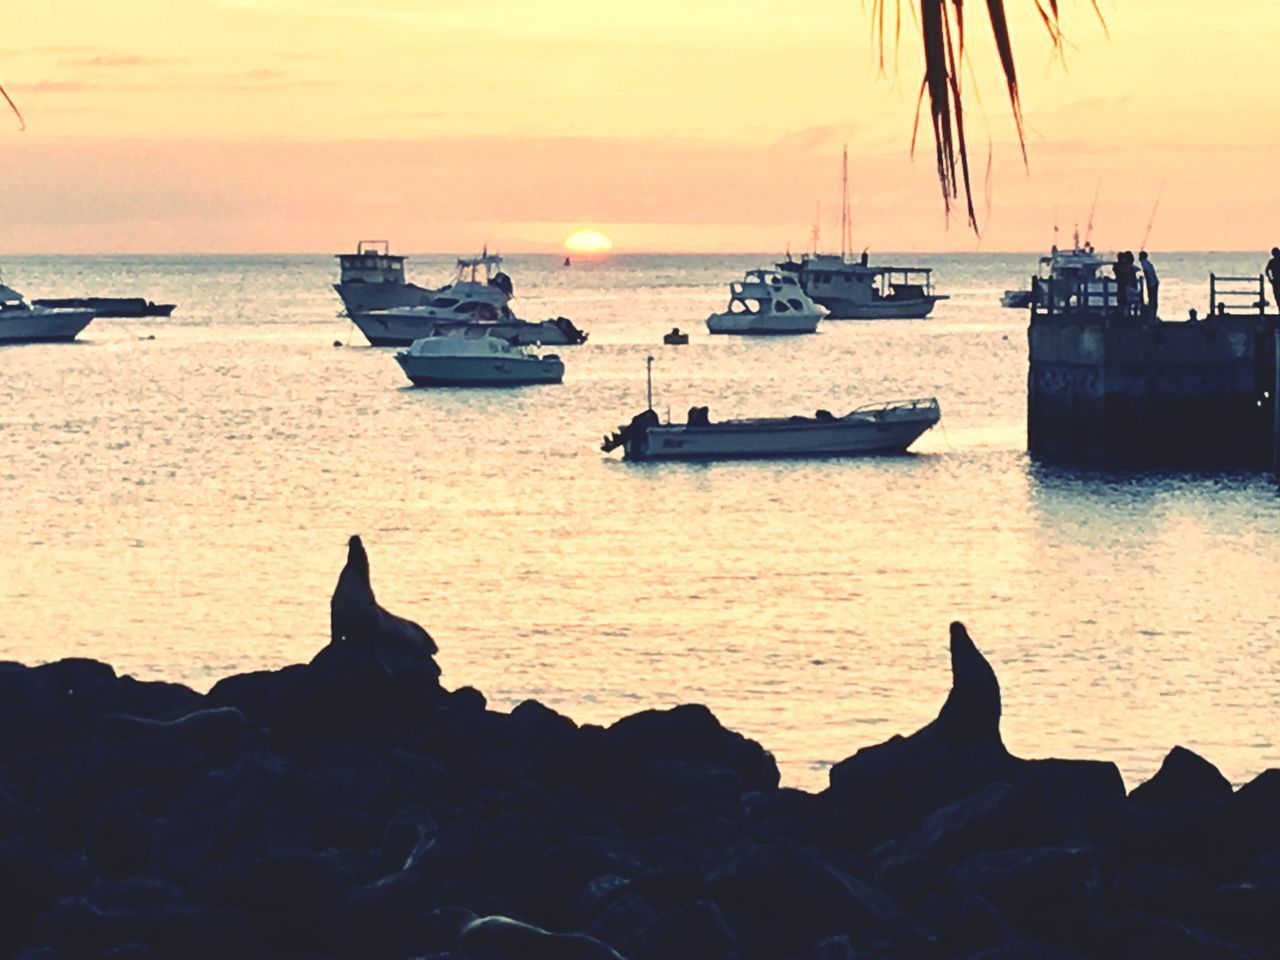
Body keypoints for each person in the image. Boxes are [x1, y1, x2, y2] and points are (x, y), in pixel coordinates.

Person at [1113, 251, 1138, 318]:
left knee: (1125, 300)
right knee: (1125, 300)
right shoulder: (1123, 266)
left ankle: (1125, 314)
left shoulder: (1121, 266)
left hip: (1124, 285)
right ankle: (1126, 315)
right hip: (1125, 285)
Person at [1139, 251, 1159, 320]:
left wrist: (1148, 283)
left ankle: (1152, 315)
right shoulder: (1147, 263)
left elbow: (1147, 274)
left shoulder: (1144, 263)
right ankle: (1153, 314)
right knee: (1153, 299)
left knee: (1152, 299)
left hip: (1152, 283)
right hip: (1154, 282)